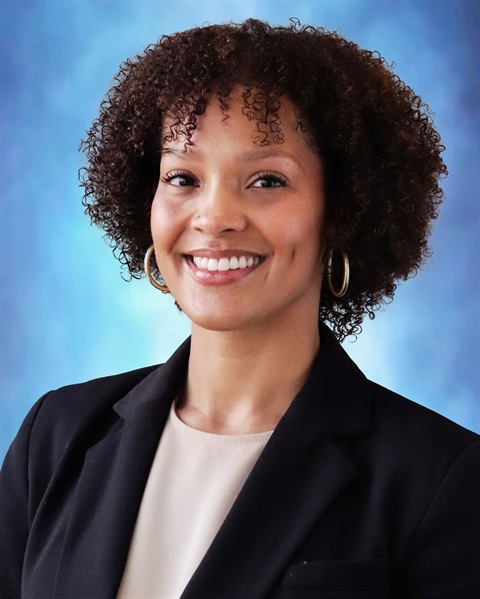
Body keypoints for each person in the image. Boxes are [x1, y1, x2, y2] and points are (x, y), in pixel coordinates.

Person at [1, 18, 478, 599]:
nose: (215, 215)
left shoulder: (441, 480)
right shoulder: (55, 438)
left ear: (344, 209)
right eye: (182, 177)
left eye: (267, 180)